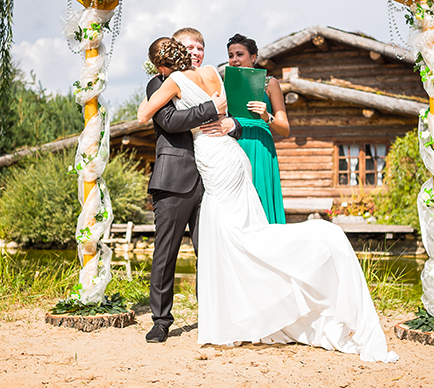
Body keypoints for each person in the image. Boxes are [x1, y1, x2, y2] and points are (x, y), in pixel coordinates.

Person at [138, 38, 398, 363]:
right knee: (236, 231)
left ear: (162, 64)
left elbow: (144, 115)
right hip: (226, 159)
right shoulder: (211, 73)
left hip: (214, 159)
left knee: (234, 236)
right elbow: (184, 119)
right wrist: (213, 111)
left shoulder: (173, 81)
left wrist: (220, 117)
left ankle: (239, 312)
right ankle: (217, 313)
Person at [144, 33, 242, 344]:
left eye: (200, 47)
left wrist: (232, 124)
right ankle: (161, 320)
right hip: (175, 179)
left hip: (212, 179)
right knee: (166, 252)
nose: (196, 52)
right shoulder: (159, 83)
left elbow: (230, 116)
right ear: (175, 52)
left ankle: (210, 314)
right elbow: (170, 121)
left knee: (210, 250)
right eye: (189, 47)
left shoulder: (210, 77)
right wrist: (210, 109)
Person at [227, 34, 288, 224]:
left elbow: (285, 129)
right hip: (233, 143)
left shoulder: (270, 83)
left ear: (253, 57)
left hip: (260, 145)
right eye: (231, 55)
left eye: (240, 54)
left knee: (260, 193)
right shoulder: (225, 84)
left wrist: (266, 116)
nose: (234, 60)